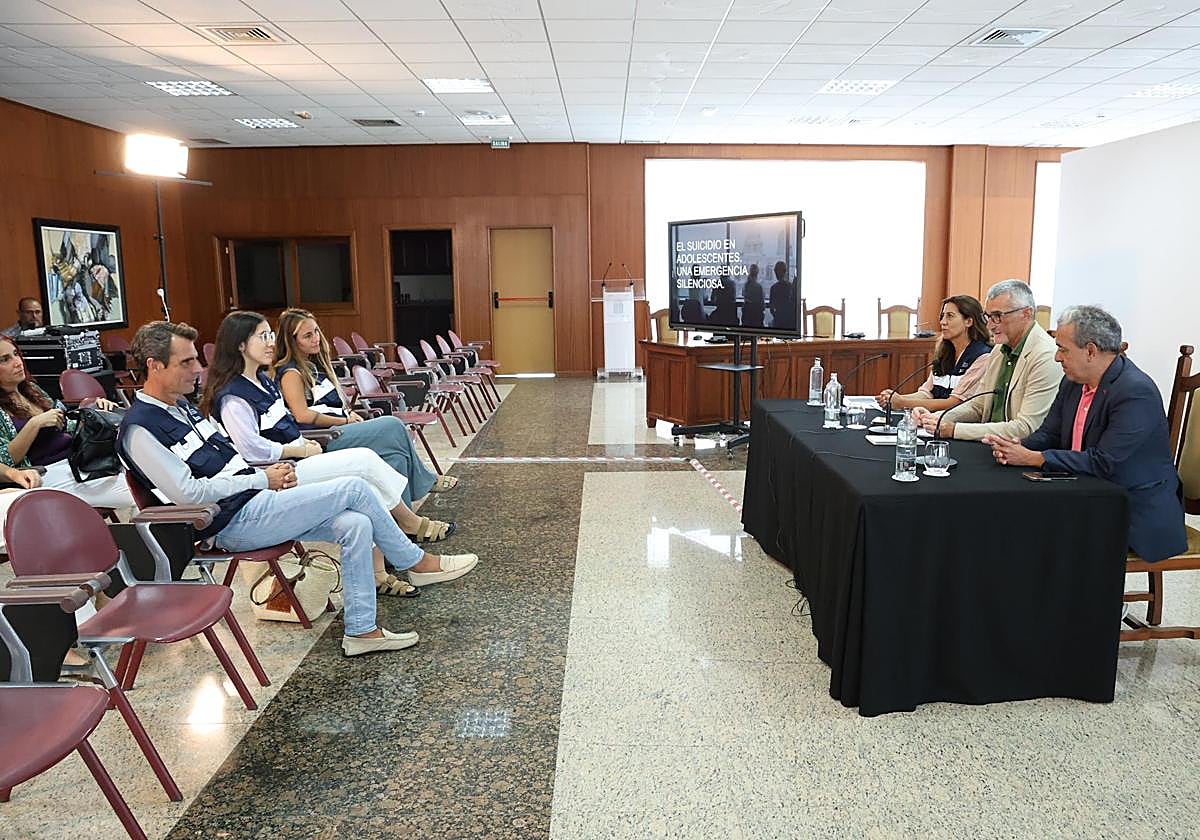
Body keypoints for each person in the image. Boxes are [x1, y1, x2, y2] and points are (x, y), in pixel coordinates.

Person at [117, 321, 479, 657]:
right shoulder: (141, 430)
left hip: (258, 499)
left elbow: (231, 460)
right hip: (229, 521)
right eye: (187, 361)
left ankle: (361, 632)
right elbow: (188, 494)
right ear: (155, 366)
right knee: (353, 487)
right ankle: (416, 562)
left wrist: (272, 475)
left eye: (196, 359)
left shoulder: (182, 408)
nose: (198, 368)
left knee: (356, 524)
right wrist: (263, 478)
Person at [203, 311, 456, 554]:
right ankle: (409, 528)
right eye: (263, 336)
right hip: (280, 471)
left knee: (389, 459)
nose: (271, 343)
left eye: (271, 335)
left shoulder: (263, 381)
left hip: (300, 454)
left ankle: (387, 560)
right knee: (368, 460)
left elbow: (285, 426)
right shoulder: (234, 396)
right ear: (240, 345)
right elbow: (252, 449)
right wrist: (300, 447)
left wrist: (303, 444)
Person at [984, 306, 1187, 563]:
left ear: (1090, 351)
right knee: (1016, 516)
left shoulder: (1135, 392)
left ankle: (1081, 601)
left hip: (1131, 505)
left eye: (1063, 349)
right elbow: (1049, 434)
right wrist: (1016, 445)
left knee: (1040, 530)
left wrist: (1033, 458)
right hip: (1082, 491)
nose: (1057, 357)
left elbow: (1104, 461)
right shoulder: (1072, 382)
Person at [273, 308, 457, 504]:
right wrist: (345, 420)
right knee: (392, 425)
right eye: (307, 336)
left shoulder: (313, 367)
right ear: (292, 341)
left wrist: (349, 412)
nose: (316, 338)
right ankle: (427, 480)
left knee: (395, 456)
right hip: (324, 437)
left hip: (340, 427)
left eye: (316, 331)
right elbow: (302, 416)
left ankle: (403, 525)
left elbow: (329, 404)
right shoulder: (291, 373)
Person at [912, 279, 1061, 441]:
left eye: (997, 316)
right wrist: (938, 418)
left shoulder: (1045, 356)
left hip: (1018, 451)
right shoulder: (999, 350)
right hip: (989, 444)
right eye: (988, 317)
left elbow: (1026, 428)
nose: (990, 325)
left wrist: (955, 430)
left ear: (1026, 313)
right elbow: (978, 405)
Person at [0, 335, 133, 510]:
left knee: (142, 476)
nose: (17, 362)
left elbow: (67, 425)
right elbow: (6, 460)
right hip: (47, 474)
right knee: (137, 493)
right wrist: (34, 424)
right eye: (5, 360)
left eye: (16, 354)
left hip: (80, 460)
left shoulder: (31, 390)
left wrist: (94, 410)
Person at [876, 295, 992, 412]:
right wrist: (894, 398)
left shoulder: (982, 356)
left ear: (969, 321)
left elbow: (954, 403)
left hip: (956, 425)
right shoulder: (945, 353)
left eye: (950, 316)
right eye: (942, 316)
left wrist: (902, 402)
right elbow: (927, 393)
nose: (942, 322)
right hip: (932, 420)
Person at [767, 261, 796, 330]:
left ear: (776, 273)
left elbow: (771, 308)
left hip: (779, 323)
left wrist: (777, 316)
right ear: (785, 272)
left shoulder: (774, 288)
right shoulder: (791, 286)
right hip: (790, 323)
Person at [741, 264, 765, 328]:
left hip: (747, 317)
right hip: (757, 317)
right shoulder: (759, 287)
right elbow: (762, 306)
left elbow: (744, 297)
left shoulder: (746, 286)